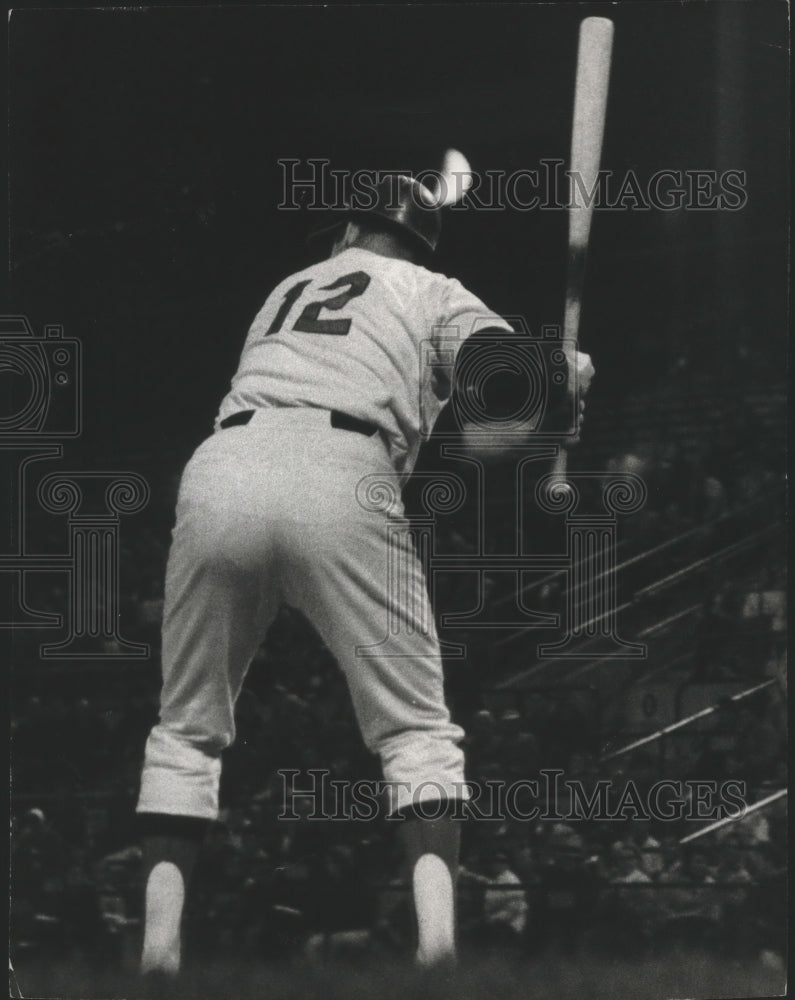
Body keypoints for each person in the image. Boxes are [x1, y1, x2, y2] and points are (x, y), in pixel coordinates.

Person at [134, 168, 594, 976]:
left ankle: (158, 954)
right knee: (415, 730)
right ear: (419, 242)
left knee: (185, 727)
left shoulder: (290, 285)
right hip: (343, 469)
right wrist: (561, 379)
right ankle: (438, 951)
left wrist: (549, 396)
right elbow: (499, 399)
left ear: (350, 231)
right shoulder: (430, 286)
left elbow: (490, 425)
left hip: (224, 463)